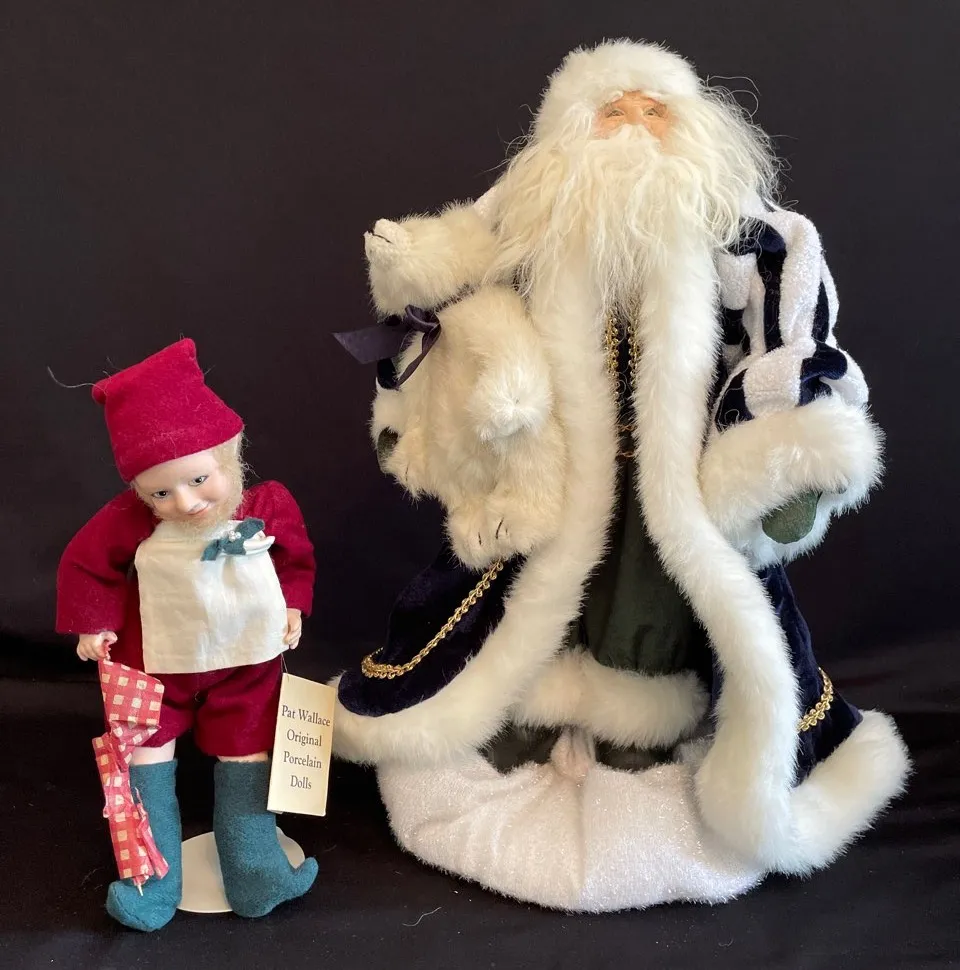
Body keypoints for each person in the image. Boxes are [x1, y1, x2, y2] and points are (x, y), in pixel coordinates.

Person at [334, 39, 909, 910]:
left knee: (651, 600)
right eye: (613, 111)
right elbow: (453, 261)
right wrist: (414, 268)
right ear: (571, 130)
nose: (635, 126)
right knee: (519, 587)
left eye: (655, 111)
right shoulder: (534, 212)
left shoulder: (743, 232)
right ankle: (521, 716)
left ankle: (637, 737)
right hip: (555, 469)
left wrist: (784, 446)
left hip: (673, 479)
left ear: (697, 129)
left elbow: (794, 333)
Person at [57, 337, 318, 930]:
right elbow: (86, 563)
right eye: (160, 492)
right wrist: (95, 623)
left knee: (247, 754)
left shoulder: (267, 505)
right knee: (142, 757)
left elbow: (296, 560)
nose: (185, 502)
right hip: (153, 666)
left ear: (229, 455)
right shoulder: (130, 519)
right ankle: (150, 885)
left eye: (199, 479)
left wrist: (293, 606)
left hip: (246, 662)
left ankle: (257, 874)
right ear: (140, 492)